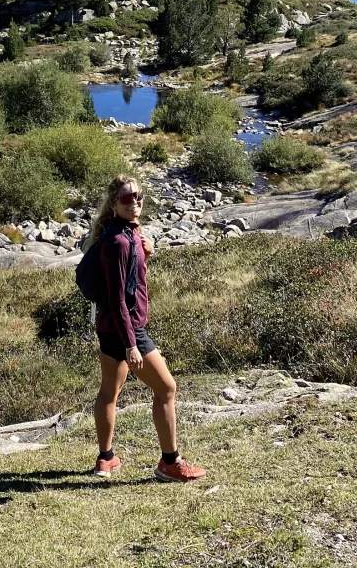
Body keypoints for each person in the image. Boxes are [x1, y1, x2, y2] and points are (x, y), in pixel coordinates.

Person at [90, 174, 206, 482]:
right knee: (167, 388)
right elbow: (118, 299)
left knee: (109, 391)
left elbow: (131, 281)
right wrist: (131, 344)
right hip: (126, 328)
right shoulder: (118, 242)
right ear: (114, 204)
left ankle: (106, 458)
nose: (135, 202)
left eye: (138, 196)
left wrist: (147, 255)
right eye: (127, 198)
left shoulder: (126, 233)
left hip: (109, 327)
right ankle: (170, 462)